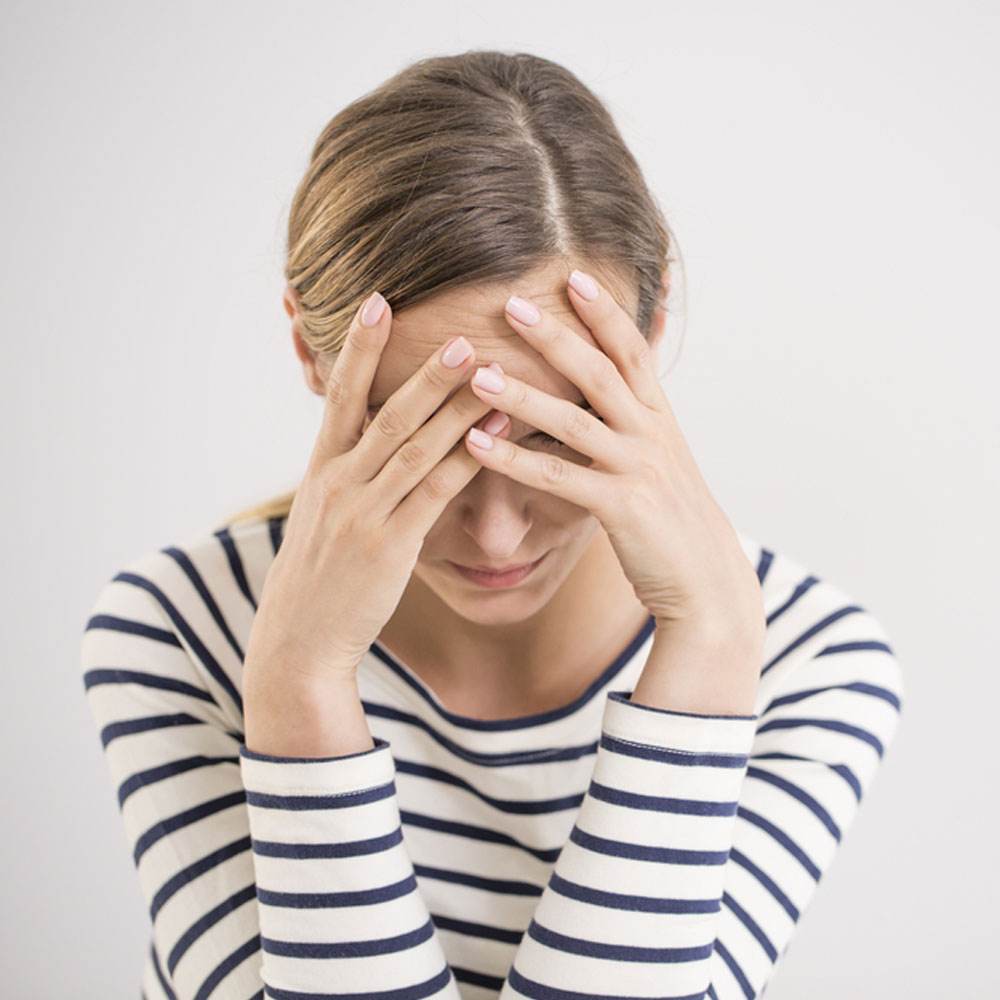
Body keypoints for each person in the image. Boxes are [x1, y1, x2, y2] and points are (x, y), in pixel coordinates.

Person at [80, 51, 904, 1000]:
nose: (499, 536)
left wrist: (710, 646)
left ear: (655, 320)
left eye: (557, 432)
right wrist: (300, 685)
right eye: (431, 442)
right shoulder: (179, 628)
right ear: (311, 349)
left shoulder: (806, 659)